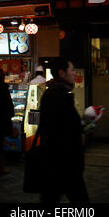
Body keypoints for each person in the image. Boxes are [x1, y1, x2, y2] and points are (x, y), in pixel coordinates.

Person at [39, 58, 89, 204]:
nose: (75, 73)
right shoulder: (58, 96)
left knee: (51, 199)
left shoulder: (56, 94)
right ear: (62, 73)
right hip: (64, 163)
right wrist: (86, 124)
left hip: (57, 163)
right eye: (72, 70)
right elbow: (67, 130)